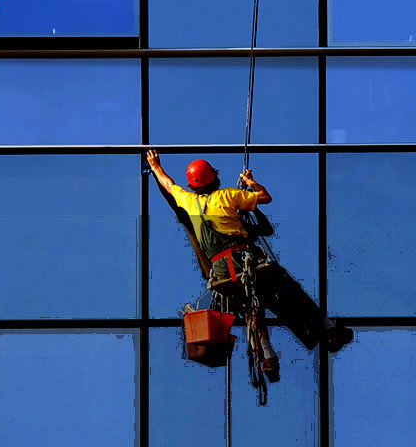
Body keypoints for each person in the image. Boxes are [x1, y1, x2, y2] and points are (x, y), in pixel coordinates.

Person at [145, 150, 353, 382]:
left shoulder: (188, 200)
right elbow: (265, 197)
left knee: (251, 308)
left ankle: (267, 355)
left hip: (222, 273)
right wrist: (251, 183)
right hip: (244, 260)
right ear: (213, 178)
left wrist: (155, 166)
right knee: (288, 290)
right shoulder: (227, 196)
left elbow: (168, 184)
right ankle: (328, 328)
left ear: (193, 185)